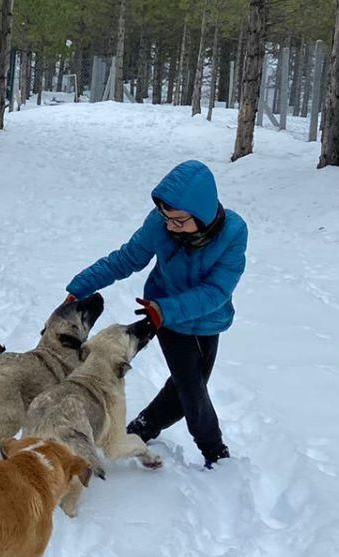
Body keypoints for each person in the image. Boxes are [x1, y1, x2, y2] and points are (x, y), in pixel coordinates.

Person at [60, 160, 247, 467]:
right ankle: (215, 452)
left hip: (205, 318)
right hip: (163, 316)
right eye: (167, 219)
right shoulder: (160, 224)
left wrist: (167, 308)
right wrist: (81, 287)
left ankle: (143, 426)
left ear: (202, 213)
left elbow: (217, 291)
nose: (171, 226)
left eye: (179, 221)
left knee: (184, 387)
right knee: (192, 390)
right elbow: (125, 259)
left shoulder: (233, 234)